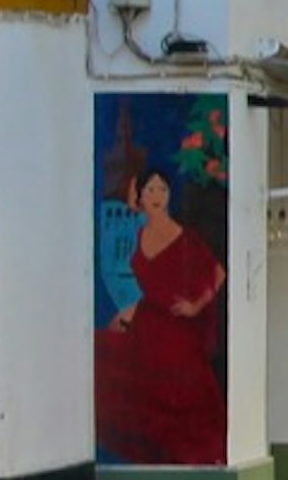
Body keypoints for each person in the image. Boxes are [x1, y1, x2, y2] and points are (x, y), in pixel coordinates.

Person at [96, 163, 226, 464]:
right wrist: (126, 314)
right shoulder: (141, 230)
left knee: (178, 397)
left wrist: (195, 305)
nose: (157, 195)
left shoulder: (184, 237)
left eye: (162, 189)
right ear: (140, 195)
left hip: (176, 332)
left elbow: (217, 273)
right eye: (150, 189)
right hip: (146, 325)